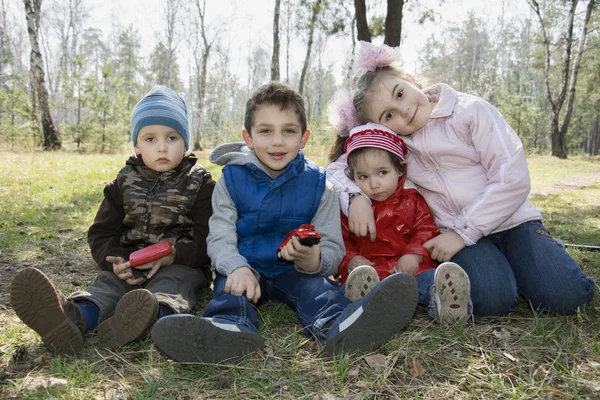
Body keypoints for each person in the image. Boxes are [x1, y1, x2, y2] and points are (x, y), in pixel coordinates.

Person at [150, 81, 419, 363]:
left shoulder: (319, 186)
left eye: (288, 131)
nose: (277, 141)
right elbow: (219, 236)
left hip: (295, 271)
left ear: (303, 138)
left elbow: (333, 247)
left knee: (319, 291)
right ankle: (228, 330)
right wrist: (235, 266)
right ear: (249, 137)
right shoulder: (230, 180)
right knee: (230, 295)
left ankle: (342, 325)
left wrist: (314, 261)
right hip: (245, 266)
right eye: (266, 131)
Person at [327, 41, 595, 318]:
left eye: (400, 94)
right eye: (389, 115)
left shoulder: (470, 112)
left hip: (511, 223)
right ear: (380, 127)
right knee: (493, 300)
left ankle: (539, 258)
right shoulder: (394, 146)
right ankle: (514, 273)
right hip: (460, 237)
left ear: (410, 80)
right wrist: (355, 196)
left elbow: (512, 176)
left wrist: (463, 231)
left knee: (567, 297)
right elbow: (335, 170)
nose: (403, 110)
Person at [10, 85, 215, 355]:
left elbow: (208, 238)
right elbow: (101, 232)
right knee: (106, 287)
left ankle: (152, 319)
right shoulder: (123, 183)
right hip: (131, 262)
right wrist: (116, 259)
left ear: (185, 143)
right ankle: (74, 317)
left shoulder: (199, 183)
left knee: (171, 289)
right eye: (150, 139)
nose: (162, 147)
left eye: (172, 137)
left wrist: (175, 256)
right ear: (137, 146)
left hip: (181, 264)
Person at [337, 123, 471, 325]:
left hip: (410, 267)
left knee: (428, 279)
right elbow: (340, 239)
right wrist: (352, 260)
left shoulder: (412, 199)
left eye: (382, 173)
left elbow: (426, 228)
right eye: (363, 176)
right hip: (372, 268)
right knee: (358, 281)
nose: (374, 184)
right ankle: (362, 303)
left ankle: (445, 301)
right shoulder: (352, 207)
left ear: (400, 169)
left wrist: (414, 254)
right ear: (352, 177)